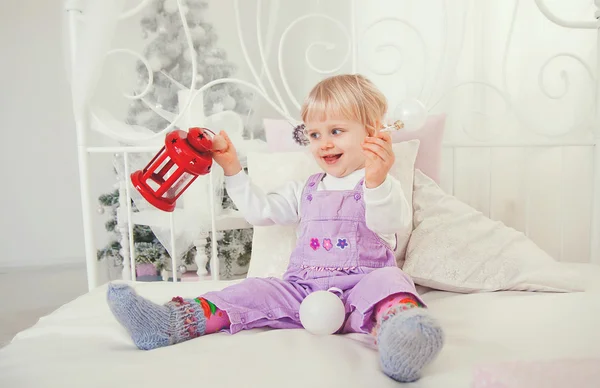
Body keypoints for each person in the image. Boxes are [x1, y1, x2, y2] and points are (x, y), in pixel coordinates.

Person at [106, 74, 444, 382]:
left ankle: (404, 336)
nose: (323, 143)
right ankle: (171, 322)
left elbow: (389, 223)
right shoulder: (305, 189)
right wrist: (233, 169)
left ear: (373, 133)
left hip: (362, 288)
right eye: (314, 134)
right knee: (252, 291)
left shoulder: (381, 185)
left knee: (392, 281)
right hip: (303, 290)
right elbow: (259, 211)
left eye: (336, 131)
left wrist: (377, 181)